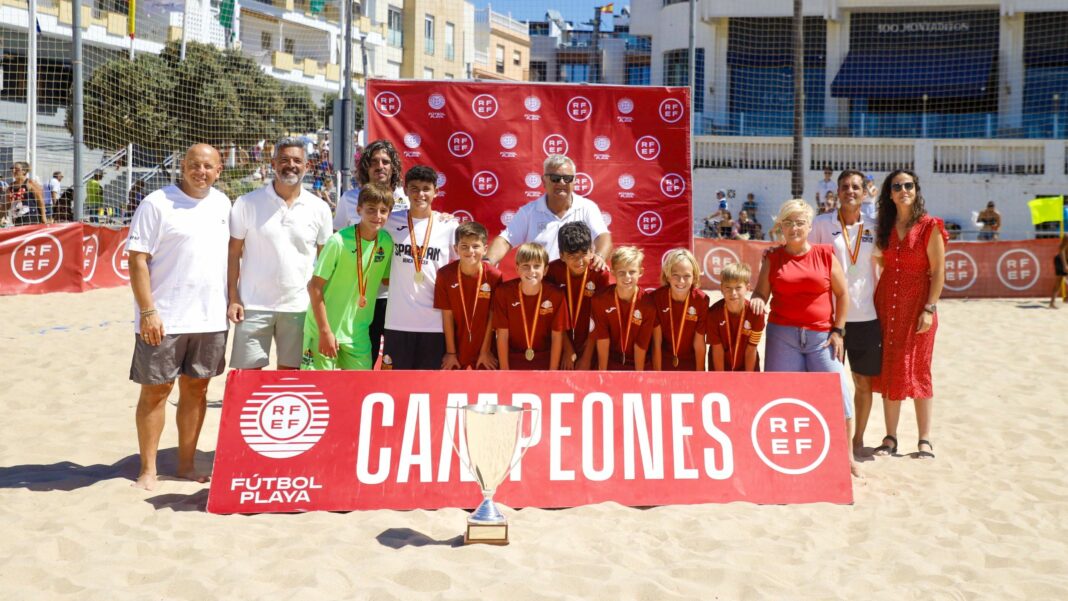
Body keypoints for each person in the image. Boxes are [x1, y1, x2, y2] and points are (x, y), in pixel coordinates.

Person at [125, 144, 231, 491]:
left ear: (219, 170)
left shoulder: (223, 204)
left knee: (197, 391)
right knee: (155, 392)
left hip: (211, 318)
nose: (201, 172)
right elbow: (137, 259)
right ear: (183, 166)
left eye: (208, 167)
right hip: (165, 317)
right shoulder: (157, 202)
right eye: (194, 165)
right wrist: (148, 310)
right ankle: (148, 469)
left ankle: (186, 464)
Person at [750, 198, 857, 476]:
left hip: (821, 336)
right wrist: (758, 300)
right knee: (779, 397)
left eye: (799, 222)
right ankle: (780, 456)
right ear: (780, 227)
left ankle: (847, 458)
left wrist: (838, 330)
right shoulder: (772, 258)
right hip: (782, 335)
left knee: (839, 394)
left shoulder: (824, 253)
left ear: (810, 225)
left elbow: (843, 294)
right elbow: (761, 293)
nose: (794, 228)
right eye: (788, 223)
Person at [228, 137, 333, 371]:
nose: (291, 165)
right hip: (253, 305)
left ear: (307, 166)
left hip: (299, 307)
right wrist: (233, 297)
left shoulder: (320, 208)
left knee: (290, 381)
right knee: (248, 380)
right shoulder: (247, 203)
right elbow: (233, 253)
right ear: (273, 163)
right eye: (284, 159)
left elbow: (326, 263)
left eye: (297, 160)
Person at [871, 170, 947, 460]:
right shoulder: (885, 227)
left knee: (918, 367)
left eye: (909, 185)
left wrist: (930, 307)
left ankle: (924, 439)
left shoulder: (930, 226)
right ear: (889, 194)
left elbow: (939, 270)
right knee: (891, 367)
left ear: (916, 189)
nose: (904, 190)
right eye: (897, 186)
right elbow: (878, 260)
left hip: (919, 307)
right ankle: (890, 437)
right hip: (887, 306)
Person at [810, 169, 881, 455]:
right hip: (830, 318)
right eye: (844, 186)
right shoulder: (821, 224)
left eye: (855, 187)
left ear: (864, 193)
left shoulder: (875, 226)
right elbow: (805, 257)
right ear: (836, 192)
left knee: (862, 382)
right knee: (829, 382)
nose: (850, 191)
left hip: (866, 316)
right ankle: (829, 439)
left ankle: (857, 440)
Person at [334, 139, 408, 368]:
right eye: (374, 161)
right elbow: (338, 240)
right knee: (364, 357)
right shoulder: (349, 199)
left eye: (386, 161)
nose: (380, 166)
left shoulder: (405, 200)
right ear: (366, 166)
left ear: (393, 167)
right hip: (357, 296)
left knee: (395, 359)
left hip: (393, 294)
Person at [302, 184, 394, 370]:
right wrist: (325, 331)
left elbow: (387, 280)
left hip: (357, 334)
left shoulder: (386, 241)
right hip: (325, 329)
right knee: (321, 391)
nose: (377, 216)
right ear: (359, 209)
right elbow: (314, 287)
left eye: (383, 211)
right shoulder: (338, 241)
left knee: (359, 391)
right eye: (371, 210)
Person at [381, 165, 459, 369]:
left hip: (435, 324)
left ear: (436, 191)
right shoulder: (390, 221)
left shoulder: (448, 226)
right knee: (395, 387)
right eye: (414, 188)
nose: (420, 194)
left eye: (426, 188)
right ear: (405, 190)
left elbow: (465, 266)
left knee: (429, 390)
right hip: (397, 322)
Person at [486, 154, 612, 270]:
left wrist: (600, 256)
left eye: (567, 178)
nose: (562, 182)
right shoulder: (528, 212)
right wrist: (486, 263)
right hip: (543, 286)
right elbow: (505, 241)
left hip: (578, 285)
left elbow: (603, 237)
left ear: (574, 181)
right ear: (544, 181)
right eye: (555, 178)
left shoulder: (588, 207)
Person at [434, 221, 503, 369]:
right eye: (464, 246)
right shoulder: (445, 274)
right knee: (454, 389)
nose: (470, 251)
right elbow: (447, 315)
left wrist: (485, 351)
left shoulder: (494, 276)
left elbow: (492, 316)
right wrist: (451, 352)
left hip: (486, 349)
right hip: (456, 347)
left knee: (485, 390)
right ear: (455, 248)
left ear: (485, 249)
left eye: (475, 246)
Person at [544, 222, 610, 370]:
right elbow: (553, 315)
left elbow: (599, 318)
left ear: (592, 251)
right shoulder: (552, 272)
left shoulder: (599, 273)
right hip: (560, 340)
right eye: (572, 256)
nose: (580, 262)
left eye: (584, 254)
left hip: (590, 342)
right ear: (561, 255)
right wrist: (567, 349)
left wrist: (586, 357)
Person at [492, 242, 567, 370]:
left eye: (537, 266)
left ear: (545, 270)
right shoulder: (503, 292)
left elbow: (557, 336)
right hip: (513, 358)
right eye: (525, 266)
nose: (531, 271)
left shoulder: (556, 295)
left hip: (545, 359)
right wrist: (505, 371)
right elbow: (502, 334)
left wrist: (553, 371)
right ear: (517, 268)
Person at [591, 246, 656, 371]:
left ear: (641, 272)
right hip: (611, 362)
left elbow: (641, 346)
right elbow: (603, 340)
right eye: (621, 272)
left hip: (639, 364)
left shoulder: (648, 304)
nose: (627, 277)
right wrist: (602, 374)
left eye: (632, 272)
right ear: (613, 272)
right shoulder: (600, 300)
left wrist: (638, 376)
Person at [650, 249, 709, 371]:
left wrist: (700, 377)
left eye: (687, 276)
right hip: (663, 361)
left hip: (690, 363)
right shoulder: (656, 298)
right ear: (667, 275)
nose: (681, 281)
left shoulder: (701, 300)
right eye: (675, 275)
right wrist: (657, 375)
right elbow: (657, 342)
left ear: (694, 277)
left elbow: (699, 344)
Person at [708, 262, 765, 372]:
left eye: (738, 287)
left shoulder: (757, 314)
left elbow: (751, 349)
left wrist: (748, 379)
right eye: (728, 287)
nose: (733, 293)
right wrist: (721, 378)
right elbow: (717, 350)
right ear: (721, 288)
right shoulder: (713, 314)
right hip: (720, 366)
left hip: (747, 365)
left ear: (748, 288)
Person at [1050, 236, 1068, 309]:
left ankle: (1066, 298)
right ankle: (1052, 302)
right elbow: (1061, 250)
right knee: (1059, 281)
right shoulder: (1067, 236)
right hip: (1061, 260)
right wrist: (1065, 265)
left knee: (1060, 281)